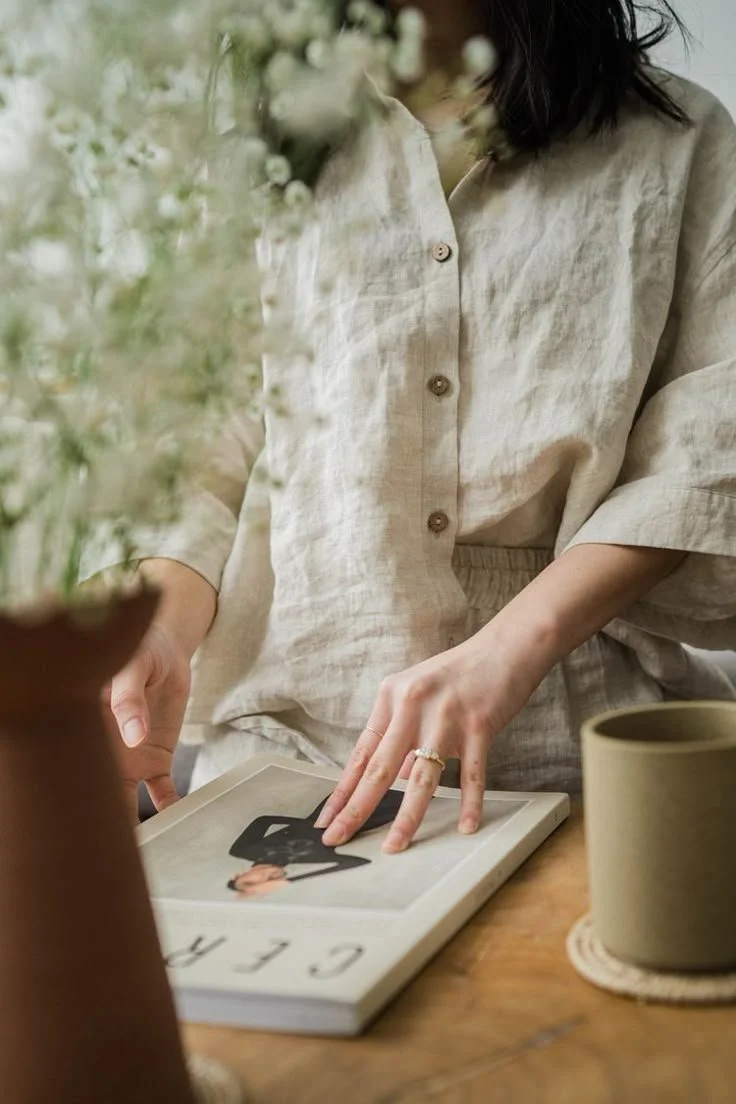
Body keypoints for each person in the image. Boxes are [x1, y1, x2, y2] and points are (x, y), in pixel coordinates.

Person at [107, 0, 736, 856]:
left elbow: (705, 448)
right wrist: (162, 627)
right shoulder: (239, 156)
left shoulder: (679, 138)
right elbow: (204, 450)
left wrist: (512, 645)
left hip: (583, 756)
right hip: (281, 758)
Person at [225, 790, 405, 896]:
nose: (265, 880)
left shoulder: (243, 850)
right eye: (267, 884)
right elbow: (358, 862)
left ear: (237, 875)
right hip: (374, 818)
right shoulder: (312, 859)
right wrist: (291, 880)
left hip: (333, 807)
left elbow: (263, 821)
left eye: (249, 883)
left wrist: (309, 823)